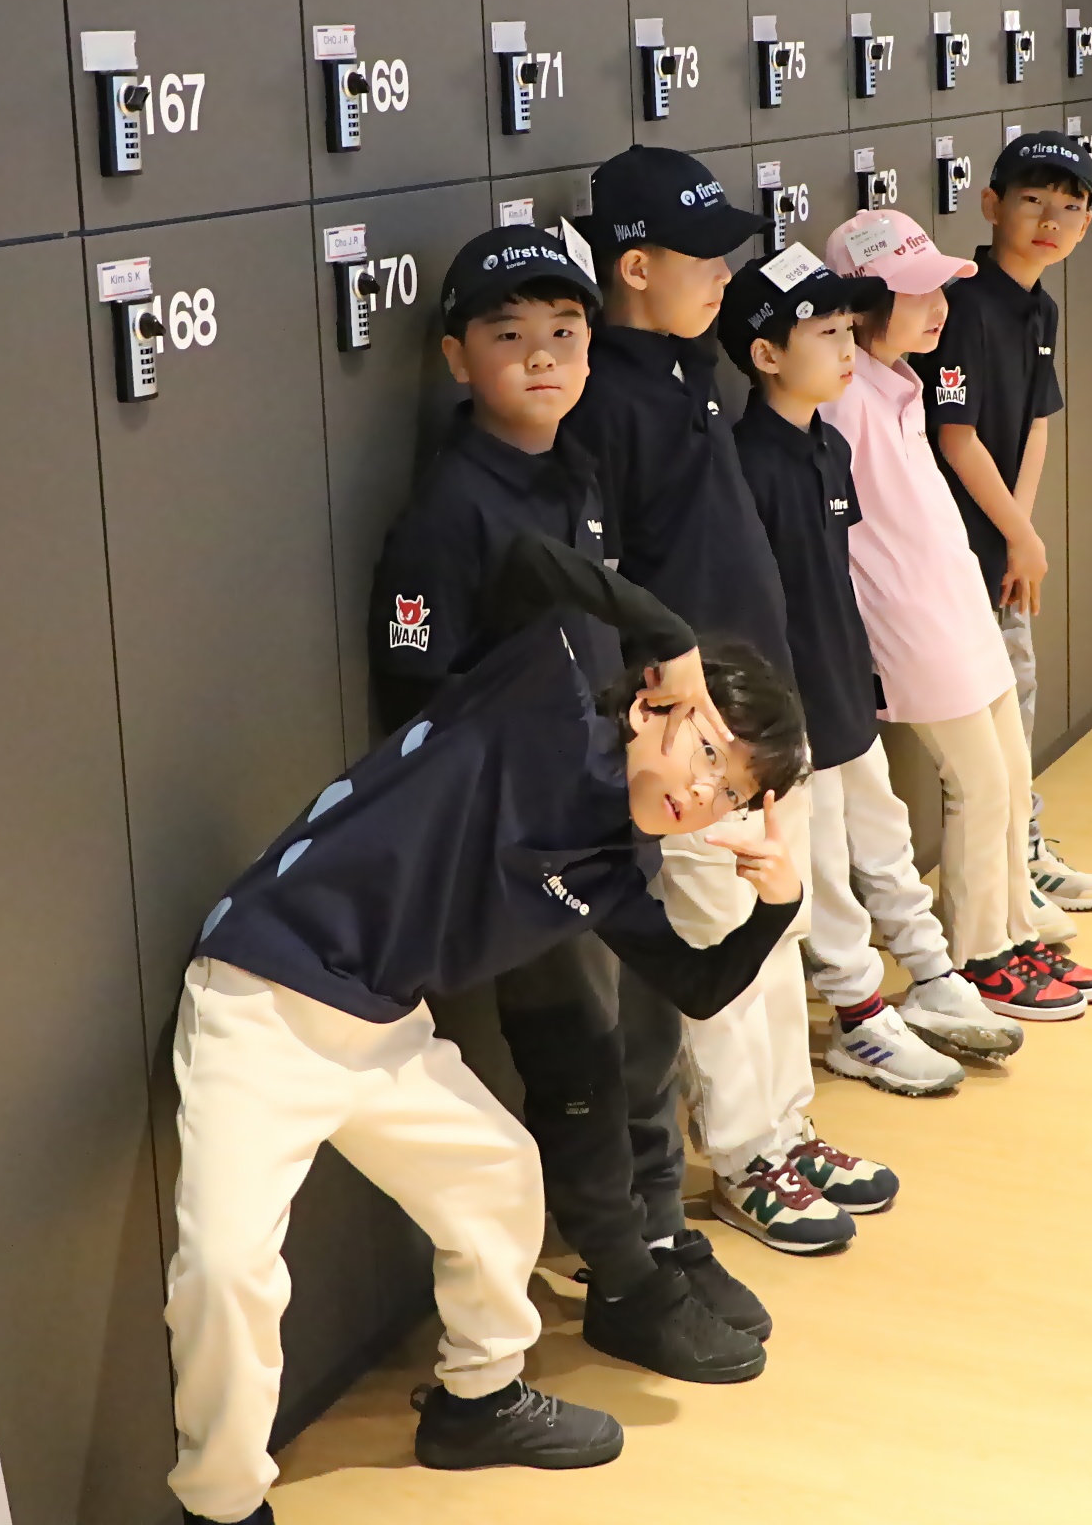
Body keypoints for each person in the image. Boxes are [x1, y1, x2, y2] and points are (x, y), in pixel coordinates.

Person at [165, 533, 811, 1525]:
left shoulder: (614, 863)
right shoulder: (541, 699)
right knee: (225, 1267)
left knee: (501, 1175)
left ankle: (478, 1401)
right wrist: (668, 632)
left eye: (731, 794)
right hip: (263, 995)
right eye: (710, 754)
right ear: (656, 704)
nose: (703, 797)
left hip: (383, 1028)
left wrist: (776, 905)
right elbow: (521, 560)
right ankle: (221, 1506)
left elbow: (697, 984)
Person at [366, 225, 770, 1386]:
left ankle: (660, 1230)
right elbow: (421, 695)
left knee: (644, 1033)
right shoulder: (450, 508)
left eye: (564, 331)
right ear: (458, 357)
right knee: (582, 1051)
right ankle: (620, 1275)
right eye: (510, 336)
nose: (543, 356)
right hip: (528, 842)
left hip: (609, 803)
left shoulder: (575, 468)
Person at [564, 146, 894, 1257]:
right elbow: (610, 587)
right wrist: (667, 728)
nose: (723, 274)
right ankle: (749, 1154)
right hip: (696, 740)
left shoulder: (688, 365)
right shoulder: (604, 395)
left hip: (760, 715)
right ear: (636, 266)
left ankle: (789, 1126)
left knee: (776, 926)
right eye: (703, 257)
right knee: (720, 938)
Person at [721, 247, 1021, 1094]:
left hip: (846, 681)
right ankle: (859, 1015)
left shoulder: (826, 445)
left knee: (884, 836)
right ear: (766, 354)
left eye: (848, 329)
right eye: (824, 333)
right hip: (794, 705)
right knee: (823, 865)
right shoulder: (746, 463)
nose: (847, 347)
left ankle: (931, 973)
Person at [825, 210, 1092, 1022]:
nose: (939, 307)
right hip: (912, 627)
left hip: (959, 606)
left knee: (1011, 777)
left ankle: (1013, 930)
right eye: (917, 294)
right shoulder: (842, 400)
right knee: (979, 786)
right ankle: (980, 957)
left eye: (940, 289)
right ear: (864, 305)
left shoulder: (901, 382)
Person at [925, 133, 1092, 921]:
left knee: (1019, 690)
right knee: (990, 714)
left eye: (1069, 208)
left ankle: (1022, 848)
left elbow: (1036, 422)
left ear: (1086, 226)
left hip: (1000, 538)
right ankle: (1007, 865)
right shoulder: (964, 305)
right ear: (990, 205)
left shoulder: (1042, 306)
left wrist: (1020, 531)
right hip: (952, 545)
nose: (1049, 221)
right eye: (1032, 201)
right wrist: (1017, 535)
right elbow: (956, 437)